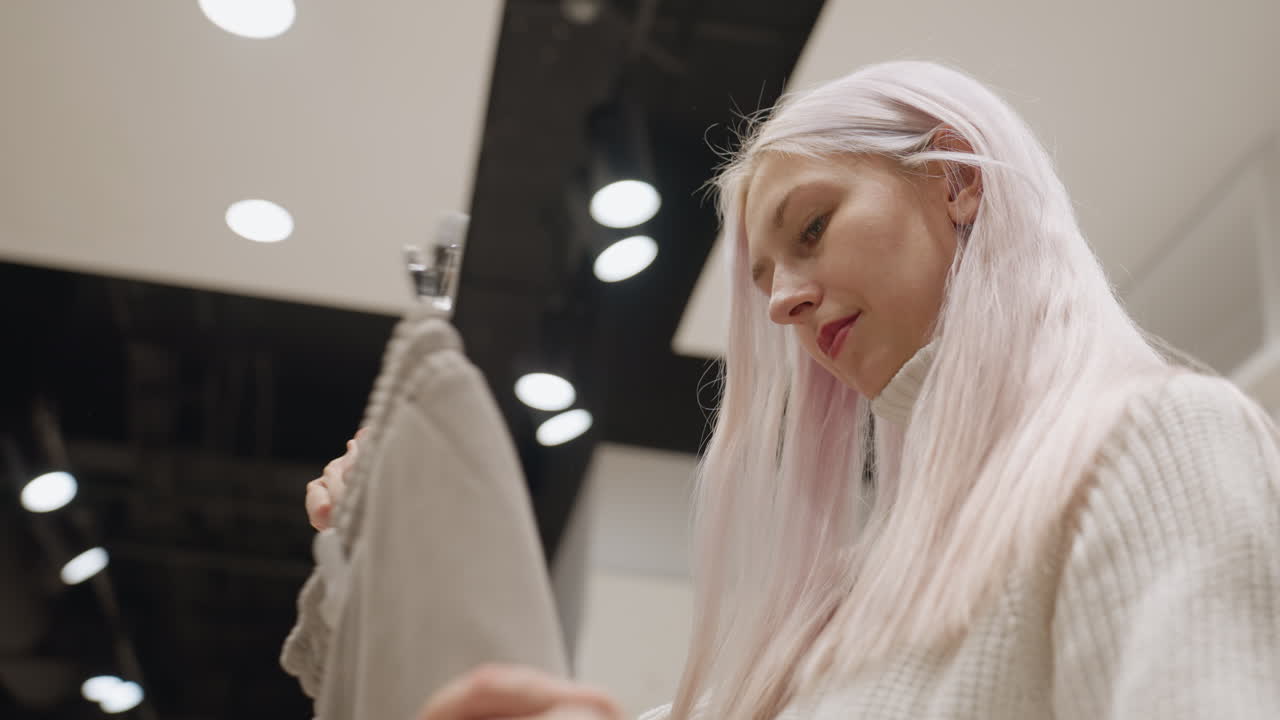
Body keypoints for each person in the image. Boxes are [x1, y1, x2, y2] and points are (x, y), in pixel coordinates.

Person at [306, 60, 1280, 720]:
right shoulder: (856, 591)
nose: (780, 303)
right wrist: (381, 547)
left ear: (955, 177)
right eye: (764, 277)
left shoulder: (1158, 441)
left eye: (809, 229)